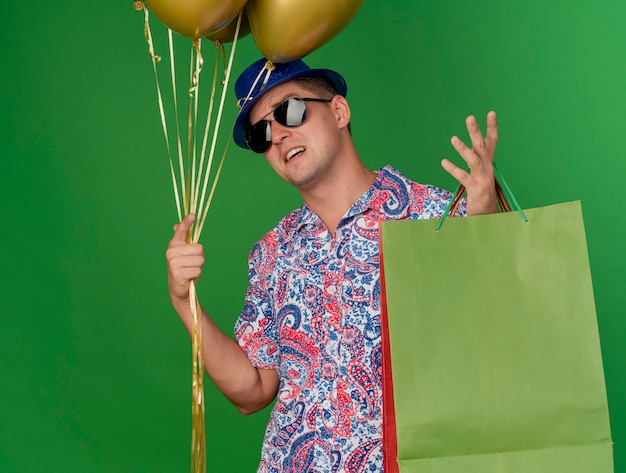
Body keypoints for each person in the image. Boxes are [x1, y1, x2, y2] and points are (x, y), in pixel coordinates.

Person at [166, 57, 499, 472]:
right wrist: (185, 302)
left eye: (290, 110)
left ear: (339, 111)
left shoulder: (431, 214)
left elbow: (497, 312)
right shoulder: (271, 253)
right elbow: (252, 390)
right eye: (262, 133)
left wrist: (487, 222)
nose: (280, 134)